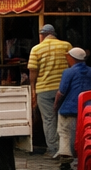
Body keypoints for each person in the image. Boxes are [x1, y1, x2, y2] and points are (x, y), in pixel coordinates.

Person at [27, 24, 72, 159]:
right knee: (63, 118)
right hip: (63, 89)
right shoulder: (66, 46)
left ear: (42, 35)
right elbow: (72, 66)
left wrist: (33, 89)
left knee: (48, 120)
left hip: (44, 89)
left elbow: (33, 71)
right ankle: (65, 148)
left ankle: (53, 149)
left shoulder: (36, 49)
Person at [54, 47, 91, 170]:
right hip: (88, 108)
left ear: (72, 58)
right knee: (88, 136)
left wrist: (56, 105)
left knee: (64, 133)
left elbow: (61, 92)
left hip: (70, 108)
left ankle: (65, 165)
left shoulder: (68, 72)